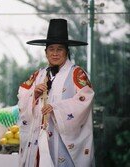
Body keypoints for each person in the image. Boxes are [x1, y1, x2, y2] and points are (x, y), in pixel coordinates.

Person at [17, 18, 95, 167]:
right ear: (45, 52)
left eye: (59, 49)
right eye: (51, 49)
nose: (55, 53)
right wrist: (35, 95)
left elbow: (85, 98)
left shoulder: (77, 73)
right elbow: (22, 96)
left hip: (63, 139)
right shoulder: (38, 75)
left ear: (66, 52)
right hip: (39, 139)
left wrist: (57, 108)